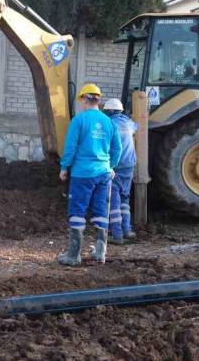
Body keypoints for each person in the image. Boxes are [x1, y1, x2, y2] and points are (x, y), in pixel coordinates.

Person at [57, 83, 121, 266]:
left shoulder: (79, 120)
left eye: (82, 100)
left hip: (82, 174)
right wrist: (111, 166)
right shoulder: (108, 122)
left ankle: (73, 255)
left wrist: (64, 167)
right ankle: (100, 253)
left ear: (85, 100)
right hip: (103, 174)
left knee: (77, 211)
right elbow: (118, 148)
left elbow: (70, 147)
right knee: (101, 211)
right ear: (98, 100)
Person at [103, 98, 138, 245]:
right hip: (130, 165)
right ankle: (127, 230)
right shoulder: (129, 123)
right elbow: (137, 127)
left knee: (114, 199)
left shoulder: (109, 123)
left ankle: (117, 235)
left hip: (116, 165)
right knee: (125, 197)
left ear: (110, 111)